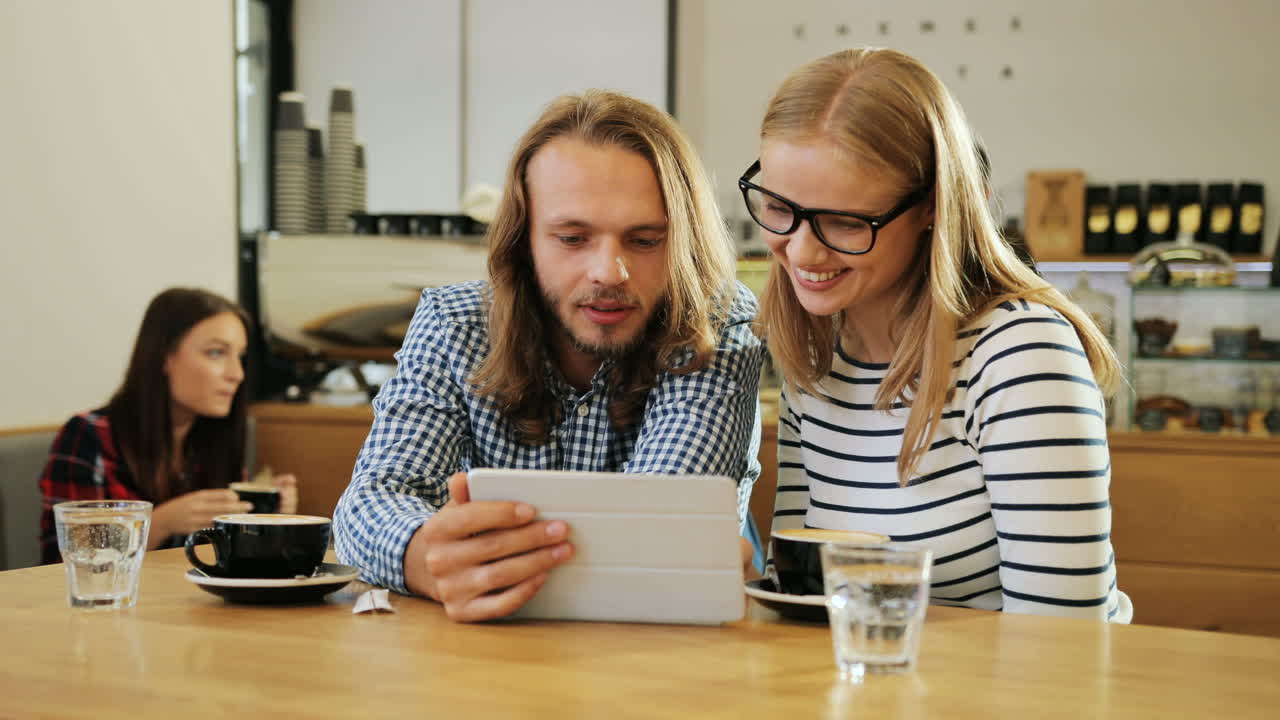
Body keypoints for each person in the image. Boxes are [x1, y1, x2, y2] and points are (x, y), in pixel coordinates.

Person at [333, 90, 764, 622]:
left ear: (684, 244)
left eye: (646, 240)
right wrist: (427, 556)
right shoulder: (455, 322)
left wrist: (492, 559)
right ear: (523, 241)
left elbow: (654, 536)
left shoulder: (715, 324)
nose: (610, 272)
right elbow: (369, 501)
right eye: (572, 238)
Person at [744, 48, 1131, 622]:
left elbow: (1061, 647)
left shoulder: (1020, 357)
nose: (801, 251)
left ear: (931, 207)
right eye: (779, 207)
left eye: (846, 221)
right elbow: (807, 600)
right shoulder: (817, 353)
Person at [38, 288, 298, 564]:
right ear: (164, 357)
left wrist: (274, 520)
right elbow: (65, 562)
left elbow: (233, 561)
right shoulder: (89, 435)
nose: (237, 374)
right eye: (216, 352)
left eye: (241, 357)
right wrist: (160, 523)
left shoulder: (215, 439)